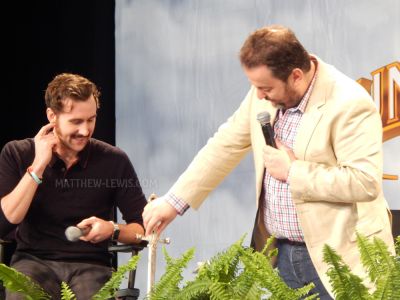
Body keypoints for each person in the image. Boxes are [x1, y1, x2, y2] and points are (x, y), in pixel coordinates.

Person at [142, 25, 395, 299]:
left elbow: (364, 181)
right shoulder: (261, 93)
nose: (259, 96)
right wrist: (174, 201)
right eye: (255, 87)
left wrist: (293, 171)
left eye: (265, 88)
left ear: (296, 76)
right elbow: (225, 144)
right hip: (284, 256)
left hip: (341, 259)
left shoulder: (349, 103)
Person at [0, 73, 148, 299]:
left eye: (91, 119)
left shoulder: (114, 160)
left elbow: (143, 230)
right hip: (32, 262)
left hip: (92, 266)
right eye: (76, 121)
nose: (85, 130)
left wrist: (113, 229)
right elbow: (5, 222)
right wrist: (39, 166)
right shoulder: (17, 153)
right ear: (52, 116)